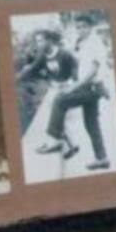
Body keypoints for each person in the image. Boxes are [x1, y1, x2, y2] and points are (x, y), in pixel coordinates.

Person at [38, 14, 110, 171]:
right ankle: (102, 158)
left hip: (90, 88)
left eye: (84, 27)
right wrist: (70, 83)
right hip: (93, 88)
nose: (80, 30)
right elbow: (82, 67)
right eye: (78, 27)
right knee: (92, 124)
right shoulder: (84, 43)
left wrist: (74, 87)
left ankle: (56, 138)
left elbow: (93, 70)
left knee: (59, 100)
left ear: (90, 27)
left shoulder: (95, 43)